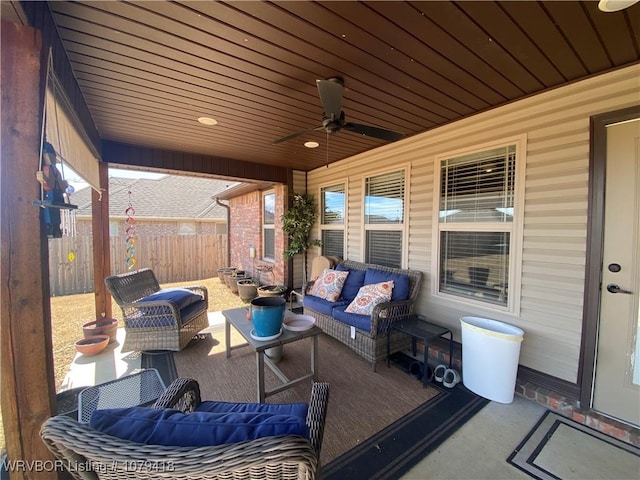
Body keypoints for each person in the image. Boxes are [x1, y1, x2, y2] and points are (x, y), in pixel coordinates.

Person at [36, 142, 68, 238]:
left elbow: (57, 182)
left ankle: (55, 227)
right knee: (50, 209)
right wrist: (42, 178)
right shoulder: (48, 169)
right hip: (52, 193)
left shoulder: (54, 170)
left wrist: (64, 185)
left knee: (54, 209)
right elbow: (48, 182)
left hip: (55, 193)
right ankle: (52, 228)